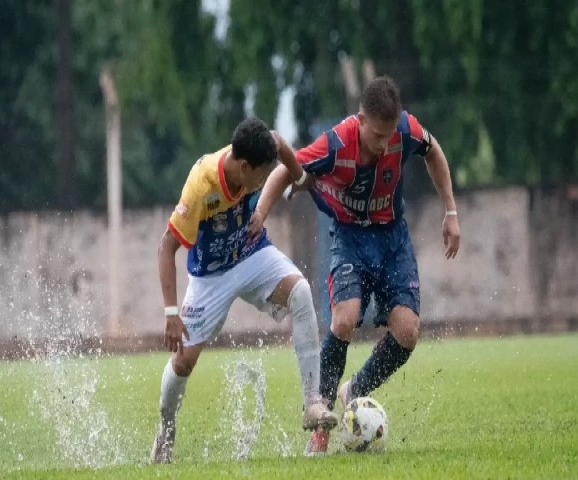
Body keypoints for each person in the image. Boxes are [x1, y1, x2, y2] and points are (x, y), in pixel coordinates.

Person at [250, 75, 461, 455]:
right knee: (344, 320)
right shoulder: (336, 142)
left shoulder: (406, 130)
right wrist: (261, 214)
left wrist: (450, 211)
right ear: (360, 120)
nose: (383, 145)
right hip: (350, 238)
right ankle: (323, 419)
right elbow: (288, 165)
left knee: (408, 332)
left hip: (393, 239)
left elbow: (435, 152)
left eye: (389, 135)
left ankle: (355, 390)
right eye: (376, 136)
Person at [150, 117, 338, 464]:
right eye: (261, 175)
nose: (265, 181)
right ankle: (166, 430)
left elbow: (280, 143)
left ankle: (313, 402)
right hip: (210, 276)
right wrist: (170, 314)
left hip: (251, 252)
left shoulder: (258, 151)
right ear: (243, 166)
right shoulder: (201, 185)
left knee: (300, 293)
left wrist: (299, 178)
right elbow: (166, 248)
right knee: (184, 361)